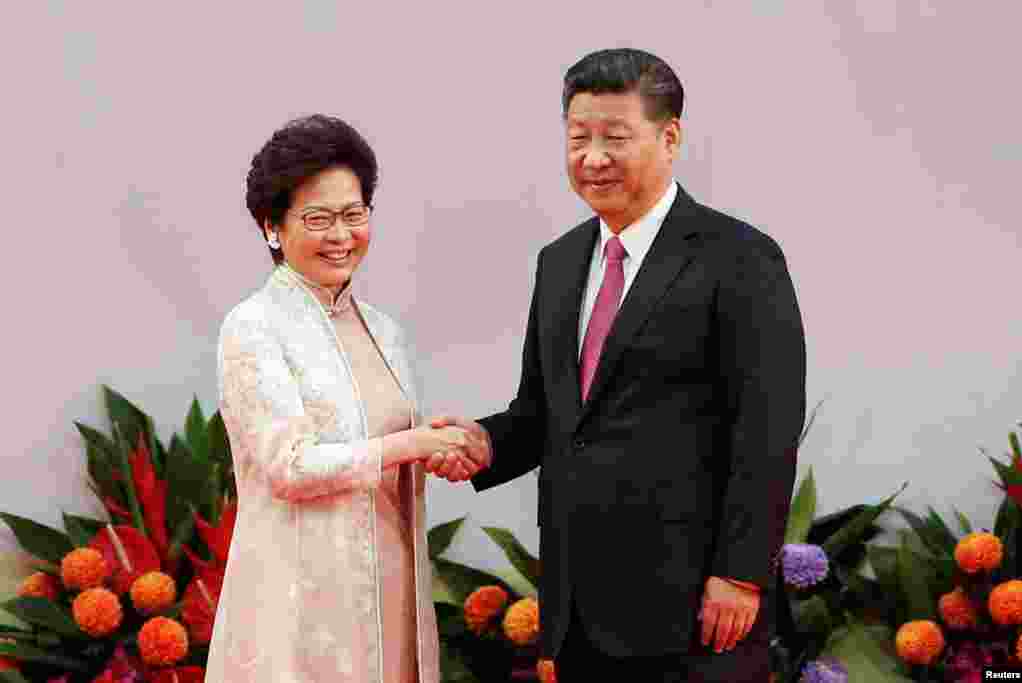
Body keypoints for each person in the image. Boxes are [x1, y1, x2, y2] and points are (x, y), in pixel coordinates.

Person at [427, 48, 807, 681]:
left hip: (694, 607)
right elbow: (545, 412)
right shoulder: (559, 261)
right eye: (578, 138)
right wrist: (481, 443)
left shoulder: (739, 256)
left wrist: (739, 575)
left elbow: (766, 428)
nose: (592, 157)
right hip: (579, 609)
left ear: (670, 137)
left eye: (615, 138)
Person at [208, 114, 468, 683]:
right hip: (301, 607)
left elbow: (392, 452)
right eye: (318, 219)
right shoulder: (253, 326)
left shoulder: (384, 330)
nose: (341, 235)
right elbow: (289, 466)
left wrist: (443, 444)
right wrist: (412, 441)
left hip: (393, 592)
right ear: (271, 227)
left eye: (354, 215)